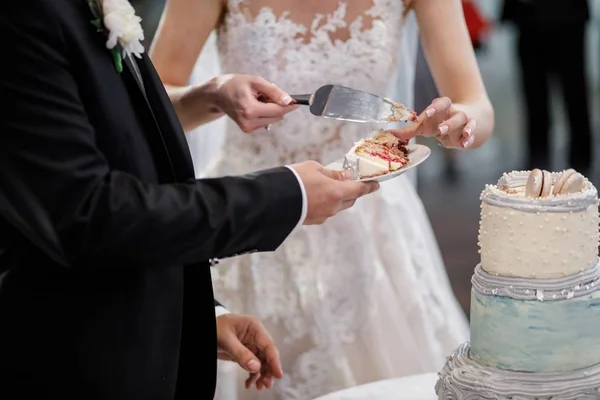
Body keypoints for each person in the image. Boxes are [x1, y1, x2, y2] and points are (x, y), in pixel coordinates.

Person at [0, 1, 380, 399]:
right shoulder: (26, 15)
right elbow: (90, 215)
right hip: (68, 363)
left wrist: (198, 312)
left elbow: (118, 138)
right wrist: (288, 196)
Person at [150, 0, 494, 398]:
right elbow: (149, 111)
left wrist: (461, 121)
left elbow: (477, 103)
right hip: (251, 218)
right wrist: (214, 94)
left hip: (372, 221)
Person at [501, 0, 592, 173]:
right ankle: (538, 158)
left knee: (575, 92)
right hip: (528, 16)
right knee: (533, 93)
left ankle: (580, 160)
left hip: (568, 17)